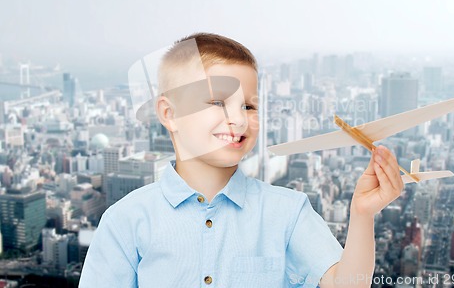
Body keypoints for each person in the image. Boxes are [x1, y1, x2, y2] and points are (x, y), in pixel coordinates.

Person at [79, 33, 404, 288]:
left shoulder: (287, 212)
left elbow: (344, 284)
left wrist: (362, 214)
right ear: (169, 113)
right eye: (217, 102)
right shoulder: (125, 220)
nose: (237, 119)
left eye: (248, 106)